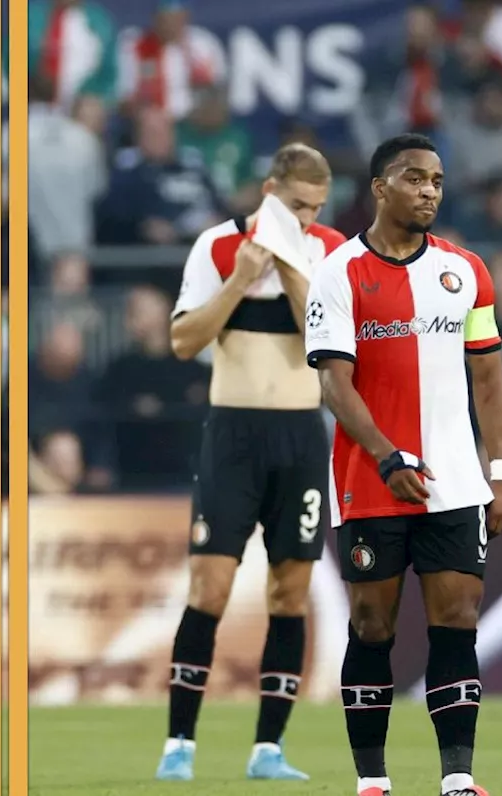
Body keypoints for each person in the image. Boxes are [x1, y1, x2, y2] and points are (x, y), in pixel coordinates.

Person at [303, 133, 502, 796]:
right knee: (372, 626)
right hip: (371, 479)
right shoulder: (339, 272)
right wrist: (386, 453)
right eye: (415, 178)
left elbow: (490, 380)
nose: (429, 191)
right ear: (380, 186)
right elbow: (335, 384)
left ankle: (458, 780)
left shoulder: (466, 272)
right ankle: (373, 783)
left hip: (453, 482)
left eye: (438, 181)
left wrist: (500, 472)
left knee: (458, 619)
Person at [154, 143, 347, 782]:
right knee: (209, 584)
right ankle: (179, 742)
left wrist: (291, 267)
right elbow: (183, 341)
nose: (307, 216)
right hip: (233, 435)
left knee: (288, 593)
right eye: (296, 205)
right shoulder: (215, 246)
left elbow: (324, 340)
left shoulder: (327, 251)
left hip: (299, 437)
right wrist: (240, 279)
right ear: (269, 191)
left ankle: (270, 748)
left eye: (316, 207)